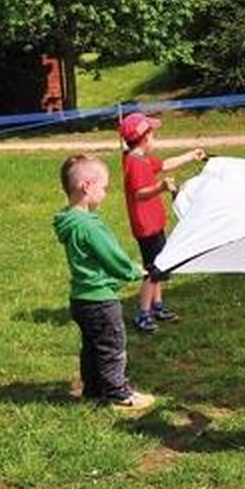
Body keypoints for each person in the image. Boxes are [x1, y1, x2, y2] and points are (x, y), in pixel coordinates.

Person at [53, 154, 154, 410]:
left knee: (92, 347)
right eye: (104, 187)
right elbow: (112, 258)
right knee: (112, 346)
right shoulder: (90, 226)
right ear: (87, 186)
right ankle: (118, 394)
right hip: (100, 300)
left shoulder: (70, 220)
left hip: (80, 299)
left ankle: (93, 389)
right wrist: (134, 271)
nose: (106, 193)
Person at [119, 111, 207, 333]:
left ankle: (157, 307)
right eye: (153, 134)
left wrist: (190, 155)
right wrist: (160, 187)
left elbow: (165, 164)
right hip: (146, 226)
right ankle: (143, 314)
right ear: (144, 137)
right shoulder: (135, 163)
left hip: (153, 223)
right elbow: (139, 194)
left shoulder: (140, 158)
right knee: (153, 270)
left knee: (159, 265)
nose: (155, 138)